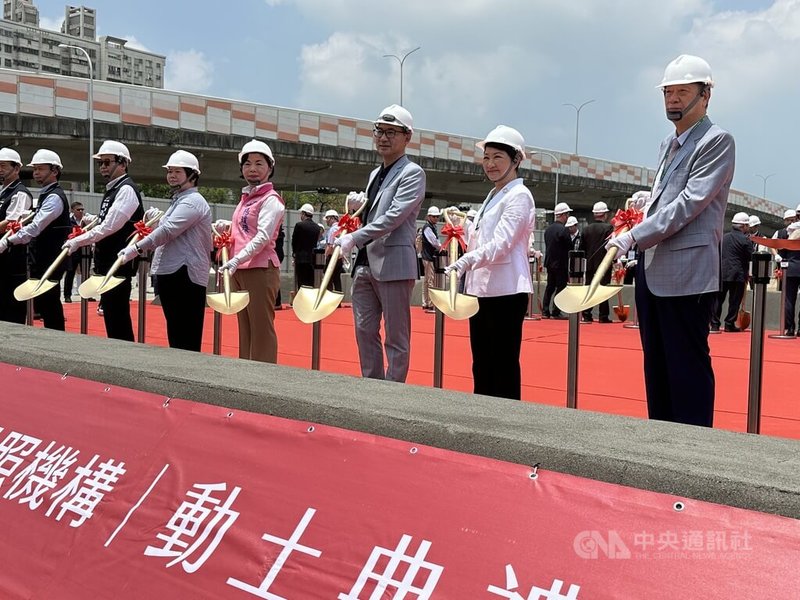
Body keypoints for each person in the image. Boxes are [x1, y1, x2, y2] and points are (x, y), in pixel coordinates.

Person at [606, 54, 735, 427]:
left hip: (689, 274)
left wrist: (633, 235)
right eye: (668, 92)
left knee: (687, 368)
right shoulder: (668, 143)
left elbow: (689, 203)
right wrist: (643, 213)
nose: (673, 99)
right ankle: (660, 448)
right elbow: (667, 198)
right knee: (657, 367)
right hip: (653, 269)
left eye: (683, 91)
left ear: (706, 94)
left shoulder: (717, 141)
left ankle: (692, 453)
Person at [334, 104, 426, 382]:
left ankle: (392, 393)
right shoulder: (375, 174)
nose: (383, 138)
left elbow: (393, 217)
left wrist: (354, 237)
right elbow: (374, 214)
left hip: (394, 264)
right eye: (379, 131)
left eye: (391, 132)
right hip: (364, 264)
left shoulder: (412, 173)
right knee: (364, 331)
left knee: (396, 337)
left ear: (407, 137)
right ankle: (371, 387)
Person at [445, 125, 535, 400]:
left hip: (506, 291)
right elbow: (482, 239)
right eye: (486, 158)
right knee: (482, 365)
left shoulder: (519, 196)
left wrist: (466, 261)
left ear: (516, 160)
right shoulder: (495, 195)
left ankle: (505, 429)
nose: (490, 164)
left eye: (498, 157)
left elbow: (502, 243)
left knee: (502, 366)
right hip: (482, 290)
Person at [118, 150, 211, 352]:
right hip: (173, 272)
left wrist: (136, 248)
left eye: (178, 171)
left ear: (193, 175)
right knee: (176, 332)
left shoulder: (193, 201)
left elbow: (168, 231)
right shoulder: (179, 200)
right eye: (169, 171)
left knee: (186, 334)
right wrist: (157, 220)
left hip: (186, 273)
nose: (171, 175)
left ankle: (189, 377)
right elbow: (168, 226)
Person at [63, 141, 144, 341]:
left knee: (118, 317)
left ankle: (124, 359)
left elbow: (109, 227)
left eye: (107, 162)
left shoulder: (126, 190)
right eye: (101, 163)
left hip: (118, 264)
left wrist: (78, 241)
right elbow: (105, 222)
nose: (102, 167)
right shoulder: (113, 190)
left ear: (123, 163)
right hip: (107, 263)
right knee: (111, 314)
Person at [216, 139, 284, 363]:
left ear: (270, 168)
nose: (252, 168)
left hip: (260, 269)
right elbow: (245, 230)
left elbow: (263, 236)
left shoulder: (271, 200)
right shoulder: (246, 199)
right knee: (245, 327)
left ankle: (264, 379)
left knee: (261, 328)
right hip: (242, 268)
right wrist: (228, 225)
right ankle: (246, 375)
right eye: (247, 164)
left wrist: (236, 260)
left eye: (259, 163)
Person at [0, 149, 70, 330]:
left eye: (40, 169)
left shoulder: (54, 197)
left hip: (49, 257)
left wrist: (7, 241)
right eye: (35, 169)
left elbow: (35, 227)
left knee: (50, 304)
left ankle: (57, 342)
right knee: (47, 304)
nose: (36, 173)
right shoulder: (47, 195)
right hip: (42, 259)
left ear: (54, 171)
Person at [0, 148, 33, 324]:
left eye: (3, 166)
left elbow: (12, 222)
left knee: (10, 307)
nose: (0, 169)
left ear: (17, 169)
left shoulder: (19, 193)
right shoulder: (4, 191)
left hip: (11, 258)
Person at [711, 212, 752, 332]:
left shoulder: (723, 237)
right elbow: (750, 257)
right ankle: (729, 323)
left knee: (718, 299)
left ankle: (714, 324)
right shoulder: (745, 240)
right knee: (734, 301)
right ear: (744, 226)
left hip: (722, 273)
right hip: (737, 274)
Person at [580, 201, 615, 323]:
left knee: (589, 288)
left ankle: (586, 313)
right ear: (604, 215)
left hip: (589, 264)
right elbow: (611, 246)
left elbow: (581, 249)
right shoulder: (608, 228)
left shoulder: (586, 229)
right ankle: (603, 315)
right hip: (603, 264)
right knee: (603, 289)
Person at [541, 202, 572, 319]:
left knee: (550, 287)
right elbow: (569, 247)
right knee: (561, 287)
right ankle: (556, 310)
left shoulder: (548, 230)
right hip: (561, 264)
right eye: (567, 215)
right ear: (563, 215)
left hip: (549, 263)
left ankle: (545, 310)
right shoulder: (563, 230)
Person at [61, 201, 88, 303]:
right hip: (73, 251)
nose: (81, 212)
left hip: (84, 250)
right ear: (72, 210)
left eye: (82, 210)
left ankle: (85, 294)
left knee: (85, 273)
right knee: (70, 272)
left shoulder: (86, 221)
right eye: (78, 210)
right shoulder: (68, 221)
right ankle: (67, 295)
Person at [291, 203, 321, 289]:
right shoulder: (317, 227)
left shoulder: (299, 225)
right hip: (312, 259)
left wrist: (294, 254)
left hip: (300, 258)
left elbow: (294, 241)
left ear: (304, 214)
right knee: (310, 282)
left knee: (301, 282)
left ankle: (301, 301)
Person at [420, 205, 442, 312]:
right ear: (429, 217)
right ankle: (429, 304)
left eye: (437, 217)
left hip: (427, 256)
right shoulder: (428, 228)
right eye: (434, 217)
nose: (436, 219)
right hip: (428, 257)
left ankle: (426, 303)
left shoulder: (430, 227)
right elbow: (434, 242)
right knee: (430, 280)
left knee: (427, 281)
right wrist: (442, 247)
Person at [322, 208, 343, 292]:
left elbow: (330, 246)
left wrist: (325, 256)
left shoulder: (332, 230)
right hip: (339, 257)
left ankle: (328, 298)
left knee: (328, 279)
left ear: (332, 218)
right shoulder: (341, 228)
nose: (326, 221)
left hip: (332, 257)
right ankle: (338, 299)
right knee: (337, 279)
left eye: (327, 218)